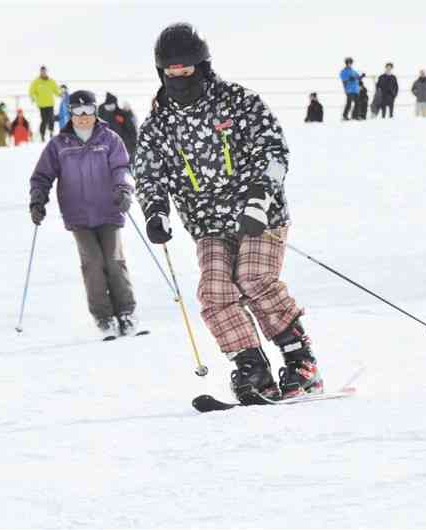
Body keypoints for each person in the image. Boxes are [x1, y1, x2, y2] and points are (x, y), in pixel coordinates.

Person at [134, 22, 323, 400]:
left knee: (253, 278)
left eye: (186, 70)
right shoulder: (159, 124)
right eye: (171, 71)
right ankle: (252, 368)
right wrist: (156, 211)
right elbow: (149, 173)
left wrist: (259, 199)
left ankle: (301, 361)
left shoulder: (238, 101)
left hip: (258, 215)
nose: (179, 77)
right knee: (215, 292)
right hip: (208, 224)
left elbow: (273, 152)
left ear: (202, 66)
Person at [29, 90, 142, 340]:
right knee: (92, 262)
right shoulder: (59, 144)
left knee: (113, 261)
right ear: (71, 114)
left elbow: (121, 168)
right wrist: (38, 200)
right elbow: (42, 176)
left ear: (95, 112)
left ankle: (125, 313)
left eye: (88, 111)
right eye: (78, 112)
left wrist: (123, 190)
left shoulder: (110, 139)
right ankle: (104, 318)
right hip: (77, 215)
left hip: (109, 210)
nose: (83, 117)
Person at [98, 92, 139, 162]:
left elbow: (131, 131)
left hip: (123, 150)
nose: (110, 107)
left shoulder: (122, 115)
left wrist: (129, 113)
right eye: (109, 105)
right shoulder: (100, 115)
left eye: (112, 104)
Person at [28, 65, 61, 141]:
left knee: (51, 119)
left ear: (46, 72)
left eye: (44, 71)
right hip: (42, 104)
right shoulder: (36, 82)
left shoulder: (51, 81)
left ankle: (51, 132)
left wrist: (60, 94)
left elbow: (56, 90)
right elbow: (31, 91)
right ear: (40, 72)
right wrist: (33, 98)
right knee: (44, 120)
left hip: (50, 104)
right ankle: (42, 135)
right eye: (42, 71)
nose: (43, 73)